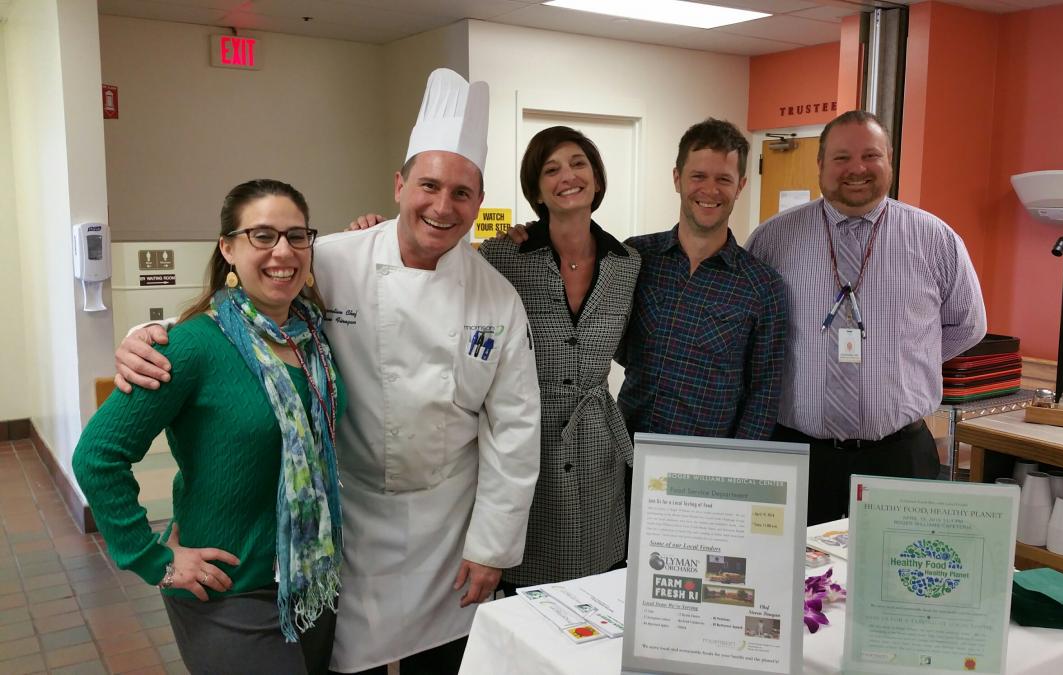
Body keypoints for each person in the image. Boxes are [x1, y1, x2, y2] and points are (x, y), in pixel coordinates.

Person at [113, 69, 541, 675]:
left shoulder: (498, 300)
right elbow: (239, 307)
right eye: (428, 185)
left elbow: (515, 433)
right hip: (346, 524)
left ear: (480, 200)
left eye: (463, 193)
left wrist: (492, 547)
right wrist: (145, 339)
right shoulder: (332, 258)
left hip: (449, 532)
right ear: (398, 185)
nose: (442, 207)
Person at [73, 179, 343, 674]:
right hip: (229, 590)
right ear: (228, 248)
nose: (282, 251)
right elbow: (97, 456)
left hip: (311, 579)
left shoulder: (315, 339)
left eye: (296, 235)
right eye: (262, 235)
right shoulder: (191, 346)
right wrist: (153, 559)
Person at [745, 109, 987, 525]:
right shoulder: (772, 240)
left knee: (894, 583)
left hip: (899, 457)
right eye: (841, 158)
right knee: (792, 583)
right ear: (820, 164)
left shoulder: (936, 239)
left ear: (889, 161)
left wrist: (906, 360)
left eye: (870, 156)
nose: (856, 168)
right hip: (798, 457)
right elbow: (750, 332)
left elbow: (968, 325)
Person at [480, 126, 640, 592]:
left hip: (597, 442)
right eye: (551, 169)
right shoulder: (503, 257)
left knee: (596, 580)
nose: (567, 176)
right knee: (525, 578)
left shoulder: (626, 263)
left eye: (578, 164)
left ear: (596, 177)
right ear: (536, 190)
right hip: (525, 435)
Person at [618, 118, 787, 440]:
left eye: (724, 179)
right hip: (626, 452)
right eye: (698, 176)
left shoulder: (763, 287)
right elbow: (607, 337)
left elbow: (763, 396)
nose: (710, 190)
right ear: (677, 178)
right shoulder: (637, 256)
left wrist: (736, 467)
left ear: (741, 186)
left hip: (704, 468)